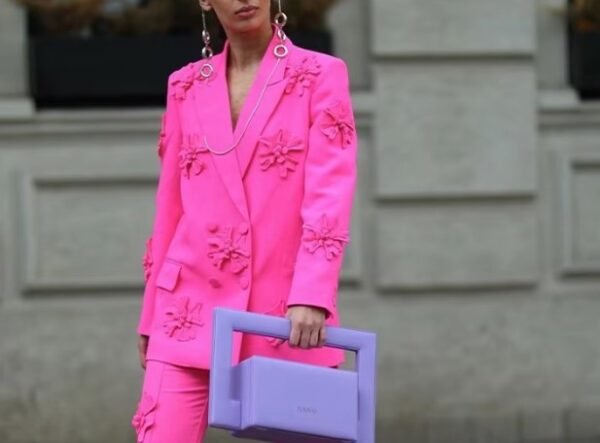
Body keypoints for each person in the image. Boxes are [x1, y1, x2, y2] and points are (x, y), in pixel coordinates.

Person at [130, 0, 357, 441]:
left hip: (285, 312)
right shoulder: (185, 86)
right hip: (186, 310)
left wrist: (312, 293)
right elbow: (169, 207)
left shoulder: (320, 75)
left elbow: (329, 194)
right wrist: (150, 316)